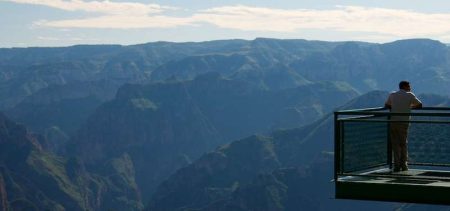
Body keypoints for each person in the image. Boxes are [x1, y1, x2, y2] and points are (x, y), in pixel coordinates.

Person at [384, 81, 422, 172]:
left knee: (395, 144)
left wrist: (394, 108)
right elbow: (420, 105)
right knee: (403, 143)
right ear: (404, 86)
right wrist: (409, 108)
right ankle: (404, 165)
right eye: (409, 86)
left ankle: (396, 165)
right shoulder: (409, 95)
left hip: (393, 121)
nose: (410, 87)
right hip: (404, 122)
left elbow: (386, 105)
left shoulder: (392, 94)